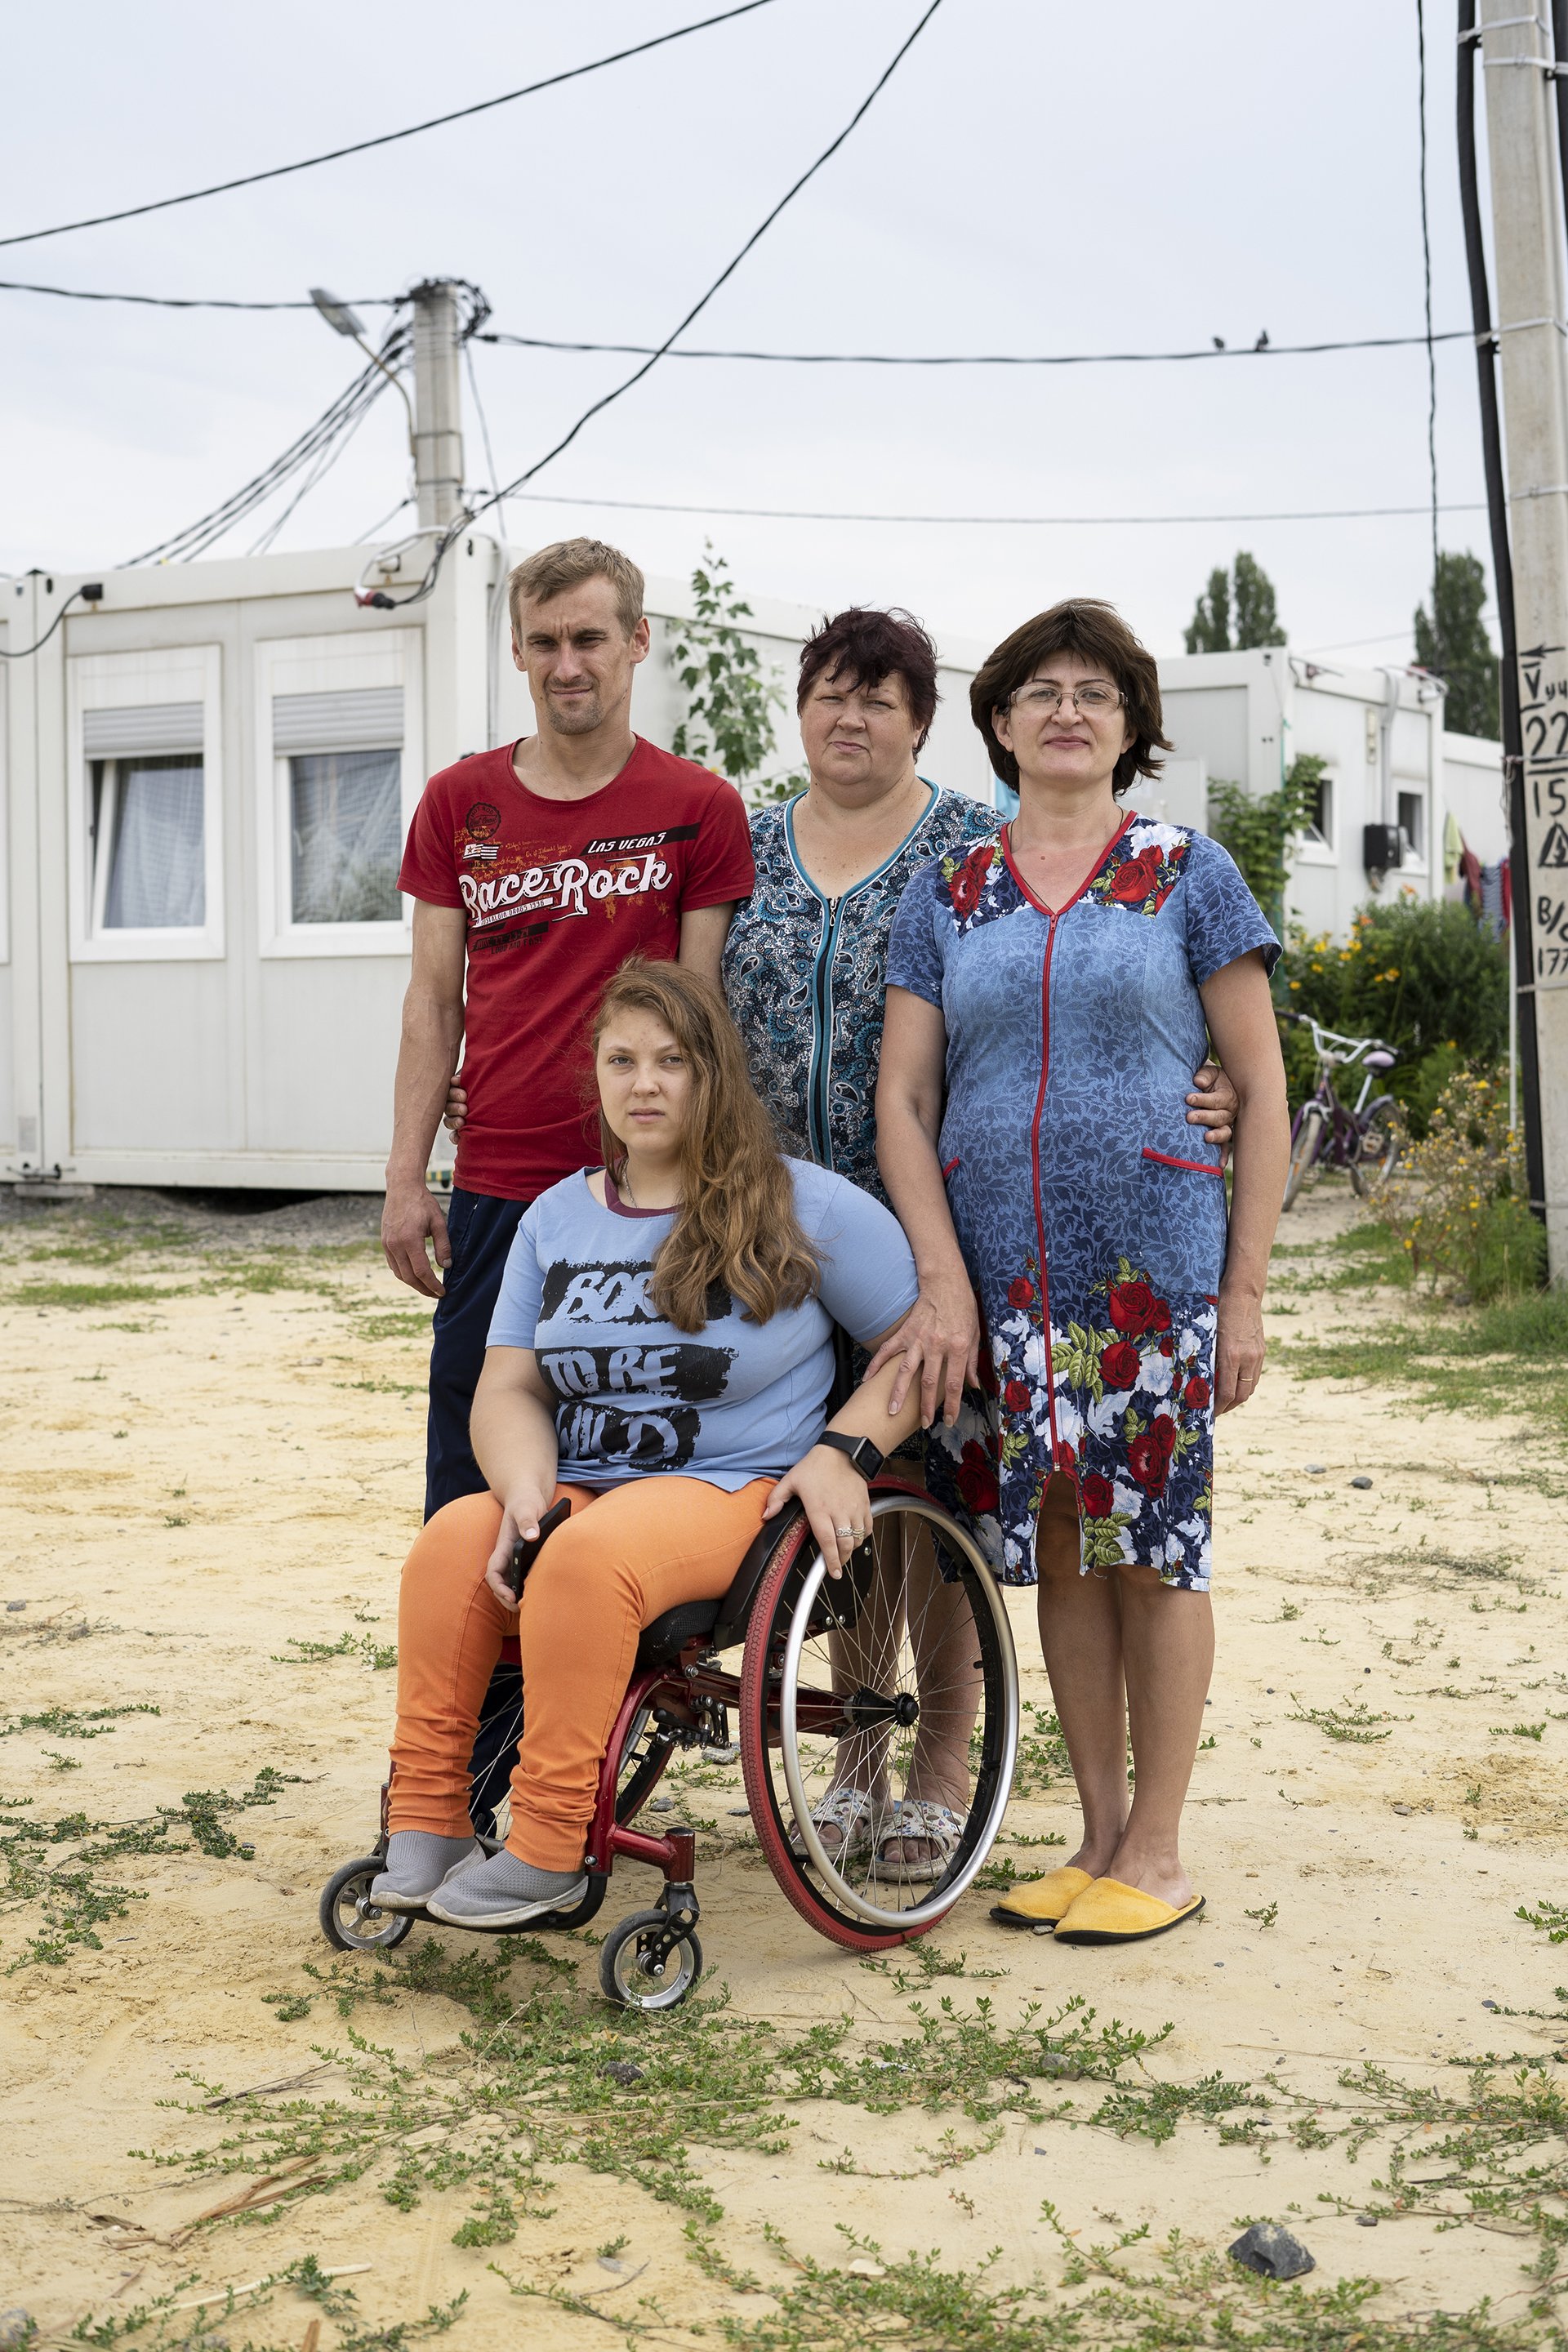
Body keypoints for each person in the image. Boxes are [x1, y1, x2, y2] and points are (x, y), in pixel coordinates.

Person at [718, 605, 1241, 1875]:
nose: (852, 717)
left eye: (881, 698)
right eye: (830, 693)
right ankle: (925, 1779)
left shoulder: (1095, 858)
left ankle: (1037, 1804)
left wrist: (1225, 1139)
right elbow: (695, 1005)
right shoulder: (819, 863)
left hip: (1042, 1249)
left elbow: (1237, 1061)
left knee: (1050, 1517)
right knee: (939, 1509)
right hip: (858, 1237)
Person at [876, 597, 1290, 1947]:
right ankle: (1097, 1833)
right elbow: (905, 1099)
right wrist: (941, 1274)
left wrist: (1245, 1289)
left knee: (1155, 1551)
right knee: (1066, 1536)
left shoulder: (1188, 872)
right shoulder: (950, 891)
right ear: (999, 723)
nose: (1066, 708)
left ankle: (1160, 1851)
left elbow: (1266, 1089)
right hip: (1006, 1287)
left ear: (1130, 726)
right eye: (1039, 690)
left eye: (1095, 692)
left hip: (1150, 1281)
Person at [369, 960, 927, 1928]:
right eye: (621, 1060)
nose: (646, 1083)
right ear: (595, 1076)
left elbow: (920, 1346)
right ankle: (430, 1821)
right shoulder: (555, 1217)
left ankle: (547, 1846)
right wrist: (523, 1491)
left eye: (672, 1060)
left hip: (732, 1494)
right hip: (586, 1487)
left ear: (714, 1075)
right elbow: (507, 1383)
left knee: (588, 1558)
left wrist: (846, 1451)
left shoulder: (804, 1203)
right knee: (451, 1545)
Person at [385, 537, 755, 1520]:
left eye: (589, 638)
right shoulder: (460, 804)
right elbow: (432, 1001)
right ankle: (484, 1681)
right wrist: (404, 1177)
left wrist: (708, 1185)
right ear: (516, 651)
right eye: (544, 642)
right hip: (498, 1183)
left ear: (637, 642)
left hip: (645, 1190)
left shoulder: (700, 808)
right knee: (473, 1471)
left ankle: (623, 1677)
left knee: (630, 1467)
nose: (567, 665)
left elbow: (700, 1009)